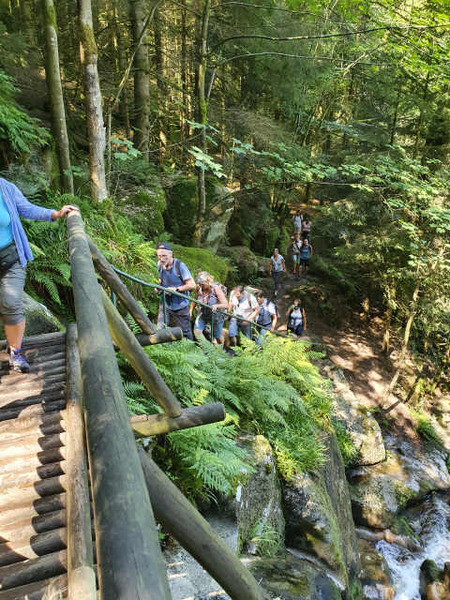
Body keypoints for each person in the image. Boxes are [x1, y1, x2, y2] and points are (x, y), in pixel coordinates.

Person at [0, 178, 78, 372]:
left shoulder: (6, 188)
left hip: (11, 260)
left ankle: (16, 352)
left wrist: (55, 214)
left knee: (11, 303)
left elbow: (27, 209)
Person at [156, 241, 196, 340]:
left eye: (164, 256)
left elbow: (192, 285)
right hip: (165, 303)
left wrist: (176, 289)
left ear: (171, 254)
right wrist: (158, 288)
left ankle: (191, 349)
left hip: (180, 305)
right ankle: (161, 348)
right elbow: (161, 280)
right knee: (160, 328)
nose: (161, 259)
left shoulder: (180, 266)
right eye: (159, 256)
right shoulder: (159, 265)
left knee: (185, 333)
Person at [191, 271, 228, 345]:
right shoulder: (199, 288)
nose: (201, 286)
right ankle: (207, 348)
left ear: (208, 281)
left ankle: (221, 349)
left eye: (202, 284)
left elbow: (226, 305)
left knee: (217, 337)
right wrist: (190, 311)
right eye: (199, 284)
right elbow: (194, 300)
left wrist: (217, 306)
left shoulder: (216, 289)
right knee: (197, 332)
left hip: (216, 315)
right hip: (203, 312)